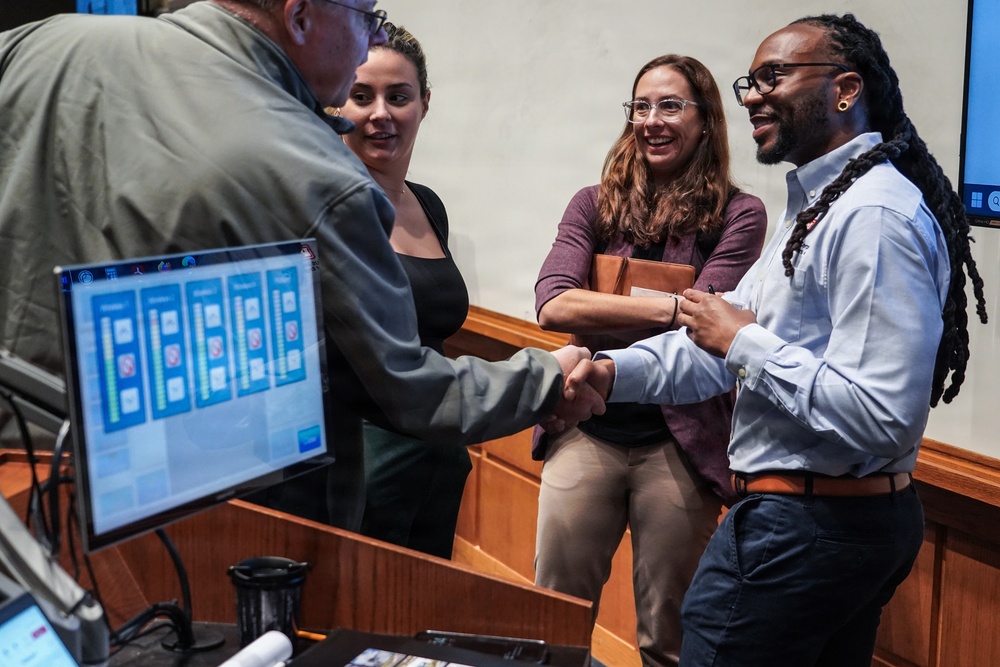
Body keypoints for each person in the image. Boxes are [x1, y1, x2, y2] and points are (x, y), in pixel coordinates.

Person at [0, 0, 601, 531]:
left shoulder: (39, 43)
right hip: (211, 513)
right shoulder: (314, 170)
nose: (371, 40)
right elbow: (411, 391)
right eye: (366, 18)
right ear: (301, 15)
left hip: (20, 476)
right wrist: (545, 376)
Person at [562, 13, 988, 666]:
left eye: (774, 77)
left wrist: (745, 342)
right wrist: (611, 372)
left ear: (845, 90)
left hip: (811, 525)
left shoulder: (873, 216)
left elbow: (882, 417)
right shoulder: (818, 207)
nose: (753, 96)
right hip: (809, 519)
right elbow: (712, 346)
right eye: (750, 82)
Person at [531, 54, 766, 667]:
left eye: (670, 105)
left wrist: (604, 307)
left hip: (680, 442)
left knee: (669, 635)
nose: (652, 120)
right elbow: (553, 304)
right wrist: (673, 307)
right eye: (641, 106)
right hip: (587, 425)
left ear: (705, 119)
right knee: (554, 617)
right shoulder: (593, 204)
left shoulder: (739, 215)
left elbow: (709, 333)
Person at [336, 23, 472, 558]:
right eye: (361, 96)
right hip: (366, 457)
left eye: (398, 97)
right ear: (336, 102)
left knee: (427, 600)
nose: (381, 114)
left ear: (424, 103)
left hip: (441, 448)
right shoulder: (329, 208)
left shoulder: (428, 204)